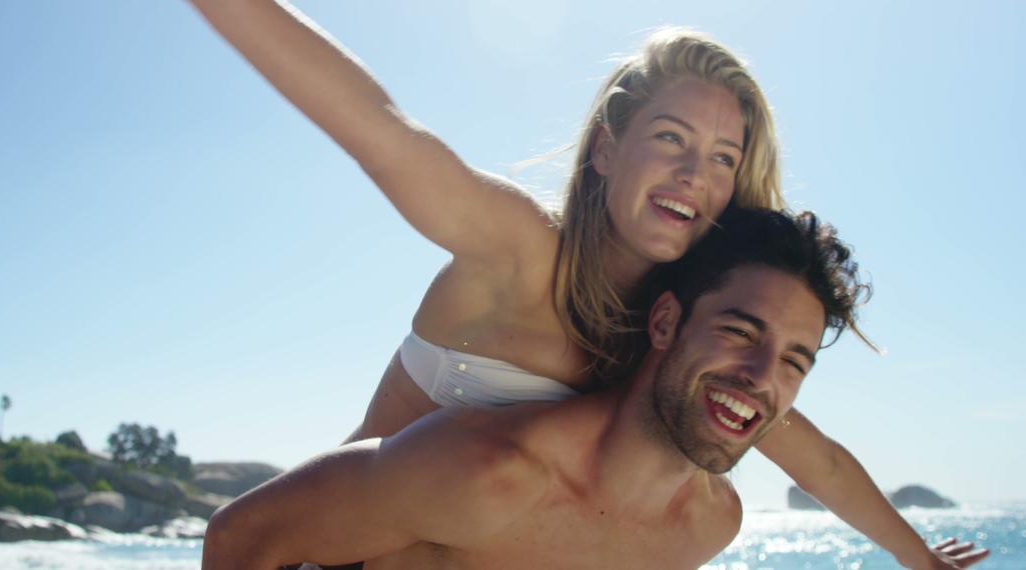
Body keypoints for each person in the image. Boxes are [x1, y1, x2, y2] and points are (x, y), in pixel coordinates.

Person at [188, 1, 976, 565]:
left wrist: (920, 562)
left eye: (723, 158)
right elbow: (379, 129)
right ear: (605, 149)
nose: (692, 175)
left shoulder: (673, 334)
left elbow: (818, 459)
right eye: (671, 138)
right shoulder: (519, 253)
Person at [201, 209, 989, 569]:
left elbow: (834, 468)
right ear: (665, 322)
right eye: (740, 332)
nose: (761, 379)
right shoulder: (490, 474)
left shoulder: (708, 525)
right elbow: (238, 538)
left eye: (794, 361)